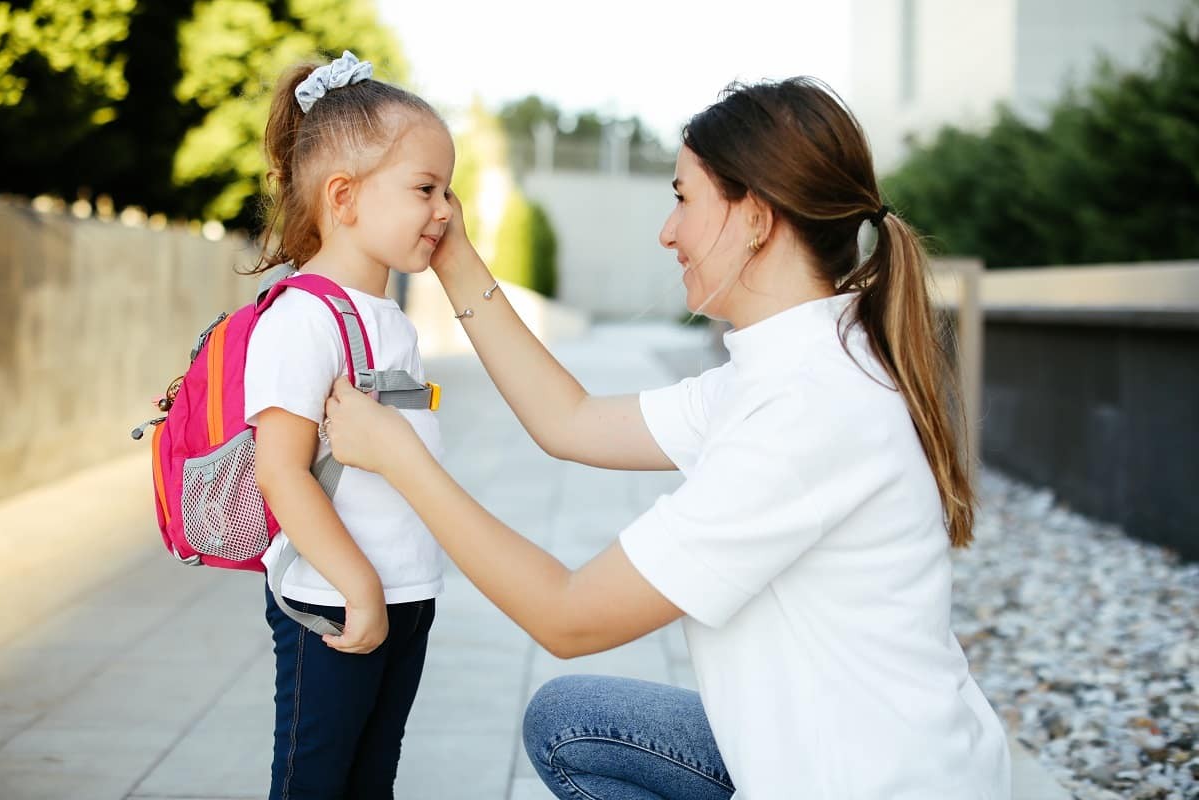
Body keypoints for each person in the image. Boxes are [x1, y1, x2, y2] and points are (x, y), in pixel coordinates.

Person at [323, 77, 1011, 799]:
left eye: (684, 198)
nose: (668, 230)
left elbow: (568, 616)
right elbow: (572, 421)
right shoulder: (792, 364)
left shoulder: (807, 411)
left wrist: (401, 458)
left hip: (875, 784)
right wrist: (455, 258)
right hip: (843, 749)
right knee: (570, 723)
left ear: (756, 218)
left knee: (573, 712)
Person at [244, 51, 454, 799]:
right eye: (426, 189)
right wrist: (358, 583)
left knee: (371, 783)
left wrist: (396, 587)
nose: (446, 211)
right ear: (344, 197)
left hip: (403, 595)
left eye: (449, 191)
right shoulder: (301, 317)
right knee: (314, 783)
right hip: (332, 599)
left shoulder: (389, 317)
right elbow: (281, 469)